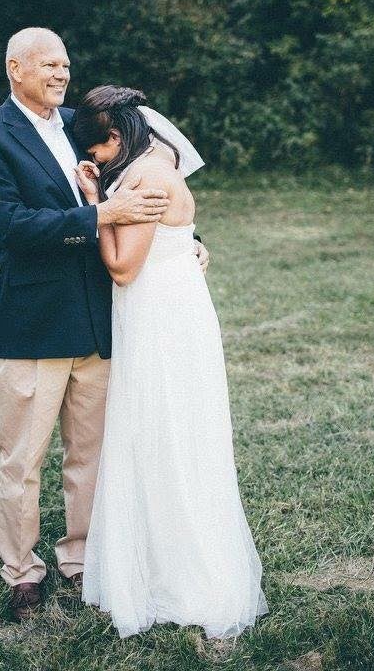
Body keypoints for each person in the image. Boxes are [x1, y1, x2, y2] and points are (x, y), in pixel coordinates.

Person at [0, 27, 209, 621]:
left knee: (92, 453)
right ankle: (22, 572)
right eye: (46, 64)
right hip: (35, 321)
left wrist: (187, 240)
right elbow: (15, 225)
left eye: (65, 63)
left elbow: (146, 184)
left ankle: (82, 559)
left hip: (102, 321)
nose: (60, 73)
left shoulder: (82, 125)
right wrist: (100, 213)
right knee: (22, 457)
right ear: (14, 68)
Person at [72, 85, 268, 640]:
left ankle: (175, 575)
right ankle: (173, 558)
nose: (97, 163)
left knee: (161, 435)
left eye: (100, 153)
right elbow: (177, 240)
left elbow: (122, 268)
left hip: (157, 320)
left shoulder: (144, 179)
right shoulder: (165, 161)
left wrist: (96, 203)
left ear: (115, 137)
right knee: (182, 435)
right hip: (180, 313)